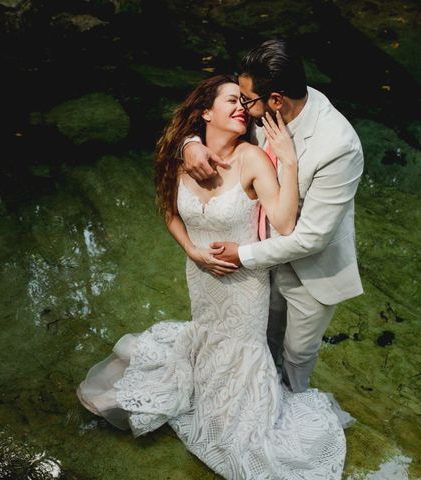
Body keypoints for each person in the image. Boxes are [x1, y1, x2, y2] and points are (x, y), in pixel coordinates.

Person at [77, 73, 347, 479]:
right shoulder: (180, 155)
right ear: (205, 112)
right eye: (231, 101)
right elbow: (169, 213)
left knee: (243, 351)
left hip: (244, 282)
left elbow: (286, 223)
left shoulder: (253, 157)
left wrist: (287, 159)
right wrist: (191, 251)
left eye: (244, 101)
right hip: (199, 275)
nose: (242, 107)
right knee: (204, 334)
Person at [182, 39, 364, 394]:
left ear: (277, 100)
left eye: (247, 100)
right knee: (261, 338)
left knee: (297, 353)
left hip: (313, 270)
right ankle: (260, 398)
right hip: (262, 261)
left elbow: (312, 238)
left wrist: (242, 255)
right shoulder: (266, 108)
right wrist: (190, 143)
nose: (243, 107)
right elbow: (210, 124)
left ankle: (295, 407)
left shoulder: (338, 146)